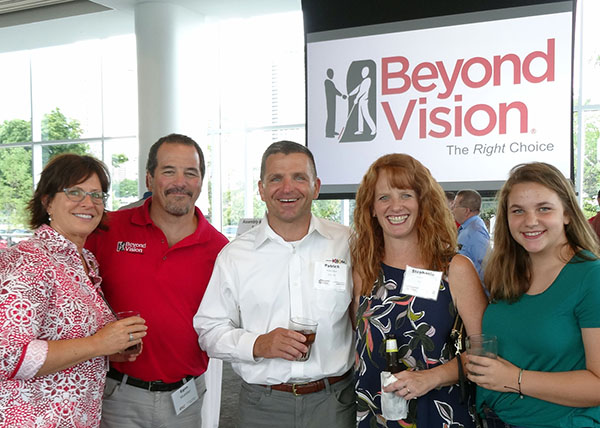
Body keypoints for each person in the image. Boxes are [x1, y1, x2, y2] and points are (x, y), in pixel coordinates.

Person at [194, 140, 355, 428]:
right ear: (261, 189)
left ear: (316, 186)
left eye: (299, 177)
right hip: (262, 406)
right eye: (276, 178)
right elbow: (209, 330)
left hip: (334, 404)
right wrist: (259, 344)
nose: (287, 188)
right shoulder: (235, 255)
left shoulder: (348, 243)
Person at [85, 134, 228, 428]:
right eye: (169, 171)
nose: (181, 182)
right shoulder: (108, 230)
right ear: (149, 179)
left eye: (191, 173)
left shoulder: (221, 249)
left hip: (185, 398)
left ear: (202, 181)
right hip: (117, 394)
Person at [0, 154, 147, 427]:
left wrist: (106, 350)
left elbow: (64, 336)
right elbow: (8, 356)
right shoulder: (30, 260)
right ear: (47, 201)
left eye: (96, 194)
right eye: (74, 192)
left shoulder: (83, 260)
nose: (88, 202)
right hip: (34, 419)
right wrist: (97, 344)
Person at [352, 154, 487, 427]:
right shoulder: (363, 269)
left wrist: (430, 378)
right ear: (371, 209)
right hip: (375, 415)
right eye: (383, 197)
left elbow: (485, 351)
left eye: (405, 195)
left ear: (423, 203)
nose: (395, 206)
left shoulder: (454, 269)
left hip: (437, 414)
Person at [466, 162, 600, 427]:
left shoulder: (591, 276)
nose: (530, 221)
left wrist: (516, 379)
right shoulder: (507, 271)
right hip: (493, 418)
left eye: (544, 208)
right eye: (518, 211)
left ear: (567, 214)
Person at [452, 189, 490, 282]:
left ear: (466, 211)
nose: (452, 210)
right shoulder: (468, 228)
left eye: (455, 206)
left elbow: (486, 267)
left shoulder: (476, 232)